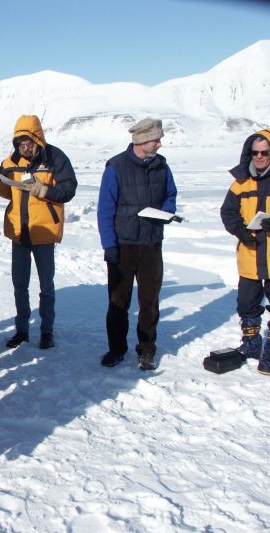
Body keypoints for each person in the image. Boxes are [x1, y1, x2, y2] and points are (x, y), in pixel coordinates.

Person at [0, 115, 77, 350]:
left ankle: (46, 331)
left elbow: (69, 190)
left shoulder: (55, 158)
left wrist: (43, 189)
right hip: (20, 232)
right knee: (20, 285)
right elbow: (8, 193)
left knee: (46, 286)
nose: (24, 147)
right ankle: (21, 331)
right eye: (20, 143)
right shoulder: (11, 161)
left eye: (28, 143)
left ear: (37, 139)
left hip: (44, 232)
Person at [97, 118, 178, 371]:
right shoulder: (116, 167)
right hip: (123, 245)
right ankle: (116, 349)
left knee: (149, 301)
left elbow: (171, 195)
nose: (160, 144)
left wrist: (166, 211)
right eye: (156, 140)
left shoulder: (162, 167)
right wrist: (109, 245)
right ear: (143, 141)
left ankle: (147, 350)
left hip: (152, 244)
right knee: (119, 302)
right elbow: (105, 208)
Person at [220, 128, 270, 375]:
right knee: (247, 303)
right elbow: (228, 212)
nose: (260, 157)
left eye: (265, 152)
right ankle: (251, 343)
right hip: (250, 255)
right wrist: (239, 230)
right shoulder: (241, 182)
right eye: (255, 152)